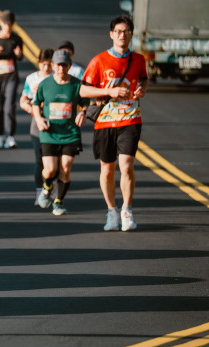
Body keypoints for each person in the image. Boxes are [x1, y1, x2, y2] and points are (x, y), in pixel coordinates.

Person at [80, 16, 148, 231]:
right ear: (111, 34)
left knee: (126, 165)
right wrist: (109, 91)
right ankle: (111, 211)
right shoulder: (99, 60)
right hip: (105, 121)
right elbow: (83, 90)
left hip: (130, 118)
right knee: (107, 169)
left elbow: (143, 78)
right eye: (118, 31)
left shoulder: (138, 59)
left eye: (126, 31)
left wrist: (142, 89)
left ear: (131, 34)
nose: (122, 35)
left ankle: (127, 210)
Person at [33, 50, 89, 216]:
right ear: (52, 66)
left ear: (69, 66)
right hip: (49, 133)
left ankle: (59, 201)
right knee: (50, 170)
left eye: (64, 65)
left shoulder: (77, 84)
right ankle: (47, 187)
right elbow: (36, 103)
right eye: (58, 65)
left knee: (66, 167)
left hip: (70, 133)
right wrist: (38, 119)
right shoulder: (45, 84)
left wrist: (83, 112)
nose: (61, 69)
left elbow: (86, 103)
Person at [20, 48, 54, 204]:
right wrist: (31, 109)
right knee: (40, 159)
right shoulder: (31, 78)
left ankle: (52, 190)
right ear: (39, 63)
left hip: (55, 122)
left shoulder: (57, 78)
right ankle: (39, 191)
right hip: (37, 123)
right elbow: (23, 100)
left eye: (49, 64)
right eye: (43, 64)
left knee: (55, 160)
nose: (46, 68)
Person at [0, 10, 23, 149]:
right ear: (1, 23)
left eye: (10, 24)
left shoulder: (16, 39)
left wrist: (18, 54)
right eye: (6, 24)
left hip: (11, 77)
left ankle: (10, 136)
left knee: (9, 107)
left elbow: (20, 57)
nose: (8, 27)